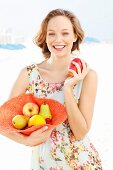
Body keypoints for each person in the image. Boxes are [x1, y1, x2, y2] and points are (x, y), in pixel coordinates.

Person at [1, 8, 103, 169]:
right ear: (45, 37)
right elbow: (3, 122)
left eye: (65, 33)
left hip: (81, 163)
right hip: (43, 163)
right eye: (51, 33)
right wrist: (25, 140)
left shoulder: (87, 76)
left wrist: (68, 89)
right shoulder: (29, 74)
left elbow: (80, 133)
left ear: (75, 36)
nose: (58, 39)